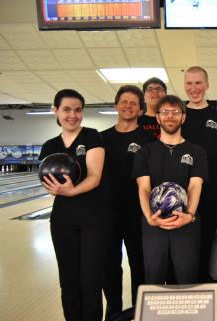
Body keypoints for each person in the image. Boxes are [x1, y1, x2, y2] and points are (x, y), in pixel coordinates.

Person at [39, 89, 112, 321]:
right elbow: (48, 182)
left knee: (90, 280)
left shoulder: (92, 136)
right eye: (66, 109)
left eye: (78, 110)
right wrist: (57, 189)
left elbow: (95, 175)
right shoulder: (49, 146)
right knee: (68, 280)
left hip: (93, 220)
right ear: (56, 111)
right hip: (63, 221)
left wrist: (71, 190)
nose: (72, 115)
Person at [132, 95, 208, 284]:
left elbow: (194, 186)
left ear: (183, 117)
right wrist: (150, 217)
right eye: (165, 112)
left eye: (175, 112)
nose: (170, 116)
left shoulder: (197, 151)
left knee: (186, 280)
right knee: (154, 281)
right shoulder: (145, 152)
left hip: (186, 225)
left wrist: (189, 215)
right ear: (157, 117)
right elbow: (143, 188)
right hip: (154, 225)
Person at [102, 85, 156, 319]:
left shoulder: (149, 140)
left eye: (133, 103)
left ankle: (139, 312)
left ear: (141, 109)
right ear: (116, 105)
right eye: (124, 101)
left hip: (137, 213)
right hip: (107, 214)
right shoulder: (102, 139)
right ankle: (113, 312)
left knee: (139, 265)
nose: (128, 106)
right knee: (110, 267)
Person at [181, 66, 217, 280]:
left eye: (198, 83)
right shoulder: (178, 115)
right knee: (184, 251)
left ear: (207, 85)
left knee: (205, 247)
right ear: (184, 86)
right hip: (181, 197)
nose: (194, 88)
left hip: (212, 196)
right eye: (189, 83)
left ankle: (205, 297)